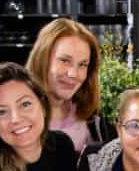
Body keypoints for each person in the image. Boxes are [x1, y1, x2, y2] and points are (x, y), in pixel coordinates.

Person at [27, 17, 109, 153]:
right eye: (65, 60)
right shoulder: (18, 120)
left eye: (82, 65)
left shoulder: (93, 119)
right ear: (42, 58)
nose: (73, 74)